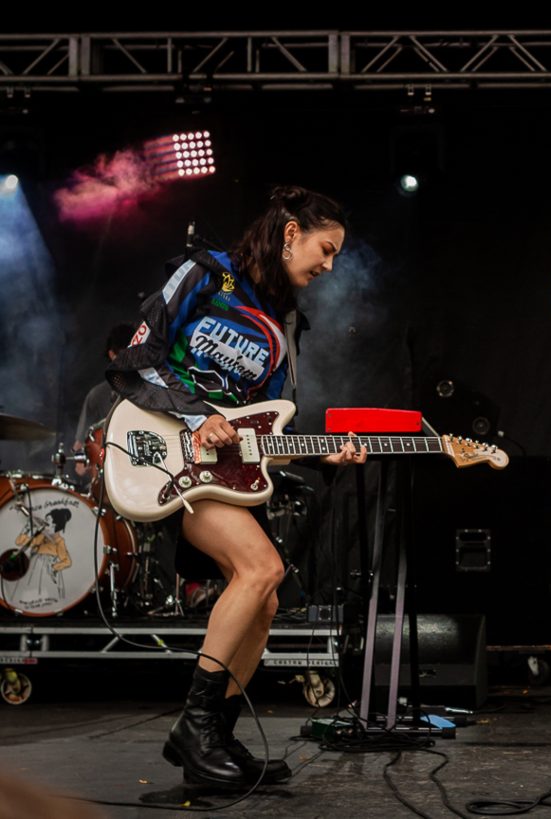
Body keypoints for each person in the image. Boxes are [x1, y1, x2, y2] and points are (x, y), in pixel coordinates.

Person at [108, 186, 366, 788]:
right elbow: (137, 358)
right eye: (324, 250)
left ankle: (214, 736)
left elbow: (269, 417)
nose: (328, 266)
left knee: (266, 598)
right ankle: (193, 727)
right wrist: (199, 416)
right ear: (289, 233)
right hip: (169, 450)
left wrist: (323, 452)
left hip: (225, 470)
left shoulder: (285, 321)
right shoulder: (206, 274)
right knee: (262, 571)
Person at [72, 323, 135, 482]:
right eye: (123, 353)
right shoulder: (97, 395)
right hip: (109, 475)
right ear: (112, 354)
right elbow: (79, 446)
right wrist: (83, 461)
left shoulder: (154, 389)